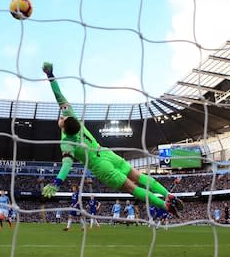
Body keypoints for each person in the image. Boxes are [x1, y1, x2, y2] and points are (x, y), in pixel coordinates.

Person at [40, 62, 183, 217]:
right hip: (107, 154)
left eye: (61, 118)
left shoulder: (67, 142)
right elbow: (59, 96)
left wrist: (57, 182)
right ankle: (167, 194)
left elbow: (67, 165)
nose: (61, 116)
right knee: (139, 176)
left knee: (132, 188)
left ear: (64, 128)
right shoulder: (72, 116)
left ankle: (164, 205)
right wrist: (50, 76)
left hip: (101, 166)